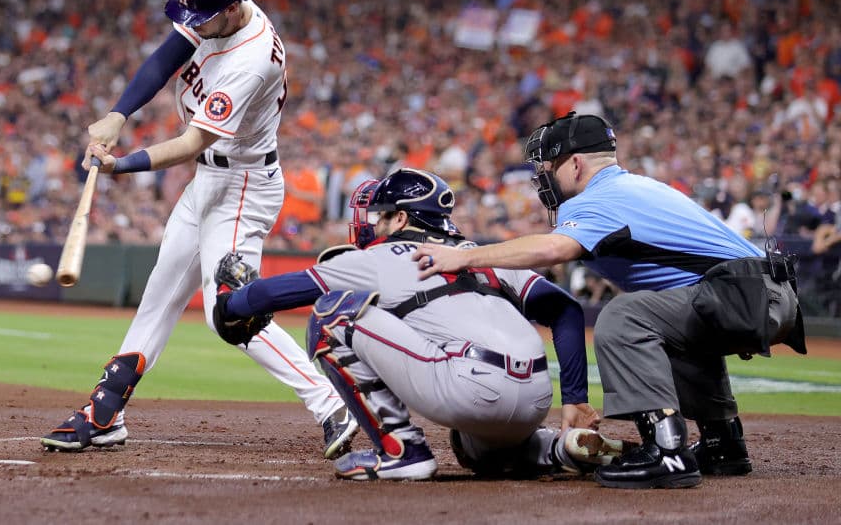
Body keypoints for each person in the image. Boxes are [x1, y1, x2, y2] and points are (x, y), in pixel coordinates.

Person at [41, 0, 358, 457]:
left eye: (203, 18)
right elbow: (166, 58)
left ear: (232, 9)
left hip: (244, 187)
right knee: (160, 295)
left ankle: (331, 402)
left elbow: (190, 143)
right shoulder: (214, 14)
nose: (193, 25)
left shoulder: (250, 60)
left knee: (228, 313)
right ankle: (108, 411)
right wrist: (117, 114)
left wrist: (119, 166)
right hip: (210, 179)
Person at [413, 113, 805, 489]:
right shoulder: (634, 187)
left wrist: (464, 255)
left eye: (548, 165)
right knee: (664, 319)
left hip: (741, 294)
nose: (543, 176)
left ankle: (666, 450)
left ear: (576, 164)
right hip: (764, 294)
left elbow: (554, 248)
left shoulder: (599, 196)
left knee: (623, 316)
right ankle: (724, 444)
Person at [215, 168, 627, 481]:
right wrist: (574, 397)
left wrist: (230, 303)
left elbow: (282, 292)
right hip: (535, 398)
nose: (373, 224)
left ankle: (402, 450)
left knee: (330, 313)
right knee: (471, 449)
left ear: (399, 219)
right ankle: (558, 447)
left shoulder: (382, 256)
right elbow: (567, 311)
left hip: (469, 386)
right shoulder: (483, 254)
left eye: (381, 216)